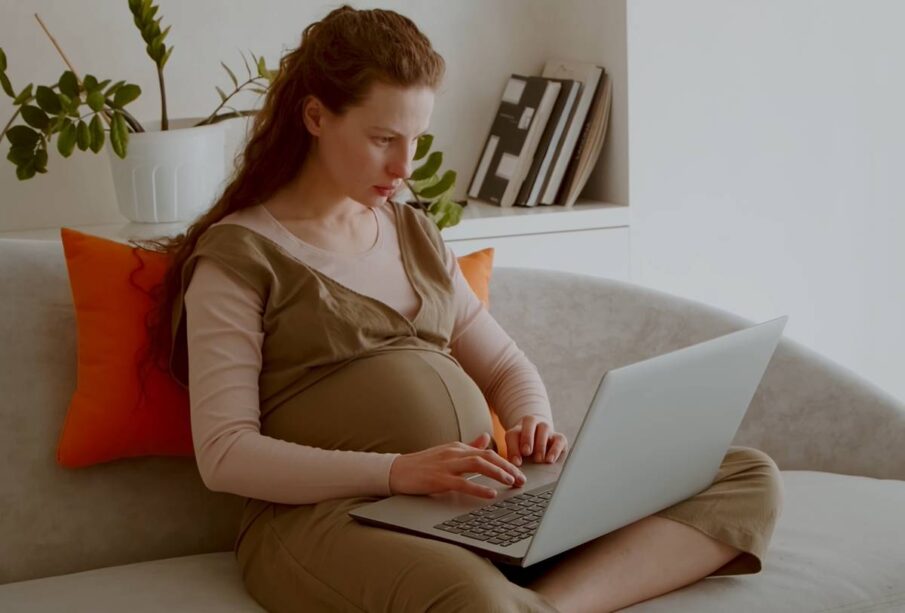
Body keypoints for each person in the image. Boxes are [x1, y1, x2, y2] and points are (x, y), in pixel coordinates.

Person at [137, 6, 783, 612]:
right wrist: (397, 473)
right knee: (473, 600)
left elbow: (505, 365)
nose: (403, 165)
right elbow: (224, 454)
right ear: (314, 117)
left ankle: (547, 604)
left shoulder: (411, 230)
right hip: (330, 519)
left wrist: (530, 422)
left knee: (741, 472)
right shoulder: (239, 256)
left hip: (471, 503)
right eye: (382, 137)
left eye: (416, 138)